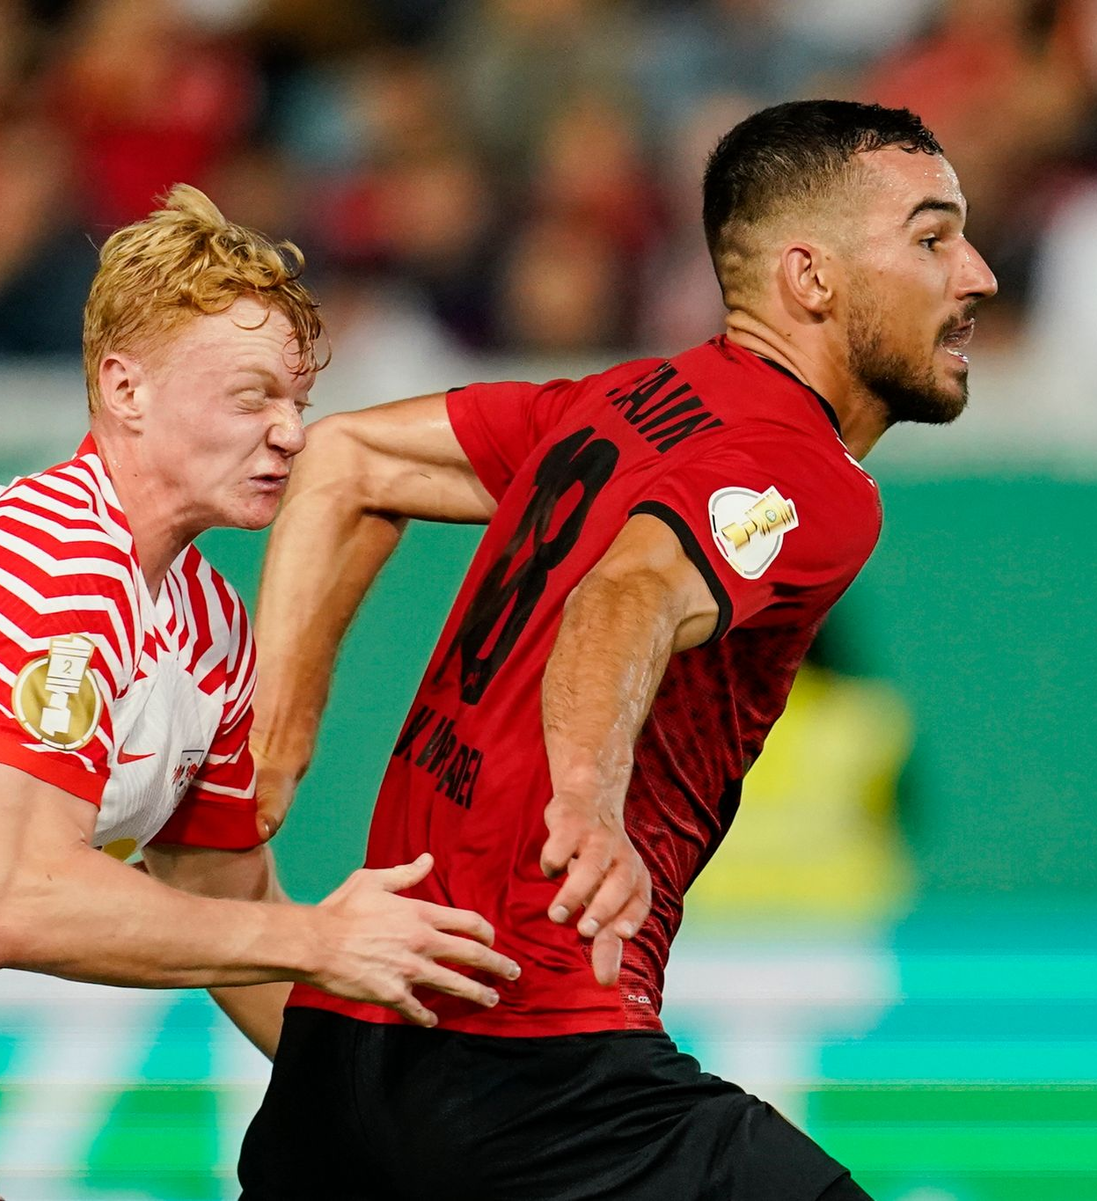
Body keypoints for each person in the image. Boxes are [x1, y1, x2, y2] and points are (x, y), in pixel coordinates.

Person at [239, 100, 997, 1199]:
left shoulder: (617, 403)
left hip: (341, 1064)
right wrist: (586, 800)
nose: (974, 272)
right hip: (536, 1066)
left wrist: (273, 736)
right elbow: (629, 590)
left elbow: (343, 462)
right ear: (812, 280)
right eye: (931, 238)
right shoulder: (811, 478)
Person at [0, 185, 520, 1057]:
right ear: (125, 388)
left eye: (299, 403)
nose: (289, 433)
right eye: (253, 398)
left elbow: (224, 902)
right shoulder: (56, 560)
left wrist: (384, 1115)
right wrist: (323, 939)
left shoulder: (212, 622)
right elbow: (20, 894)